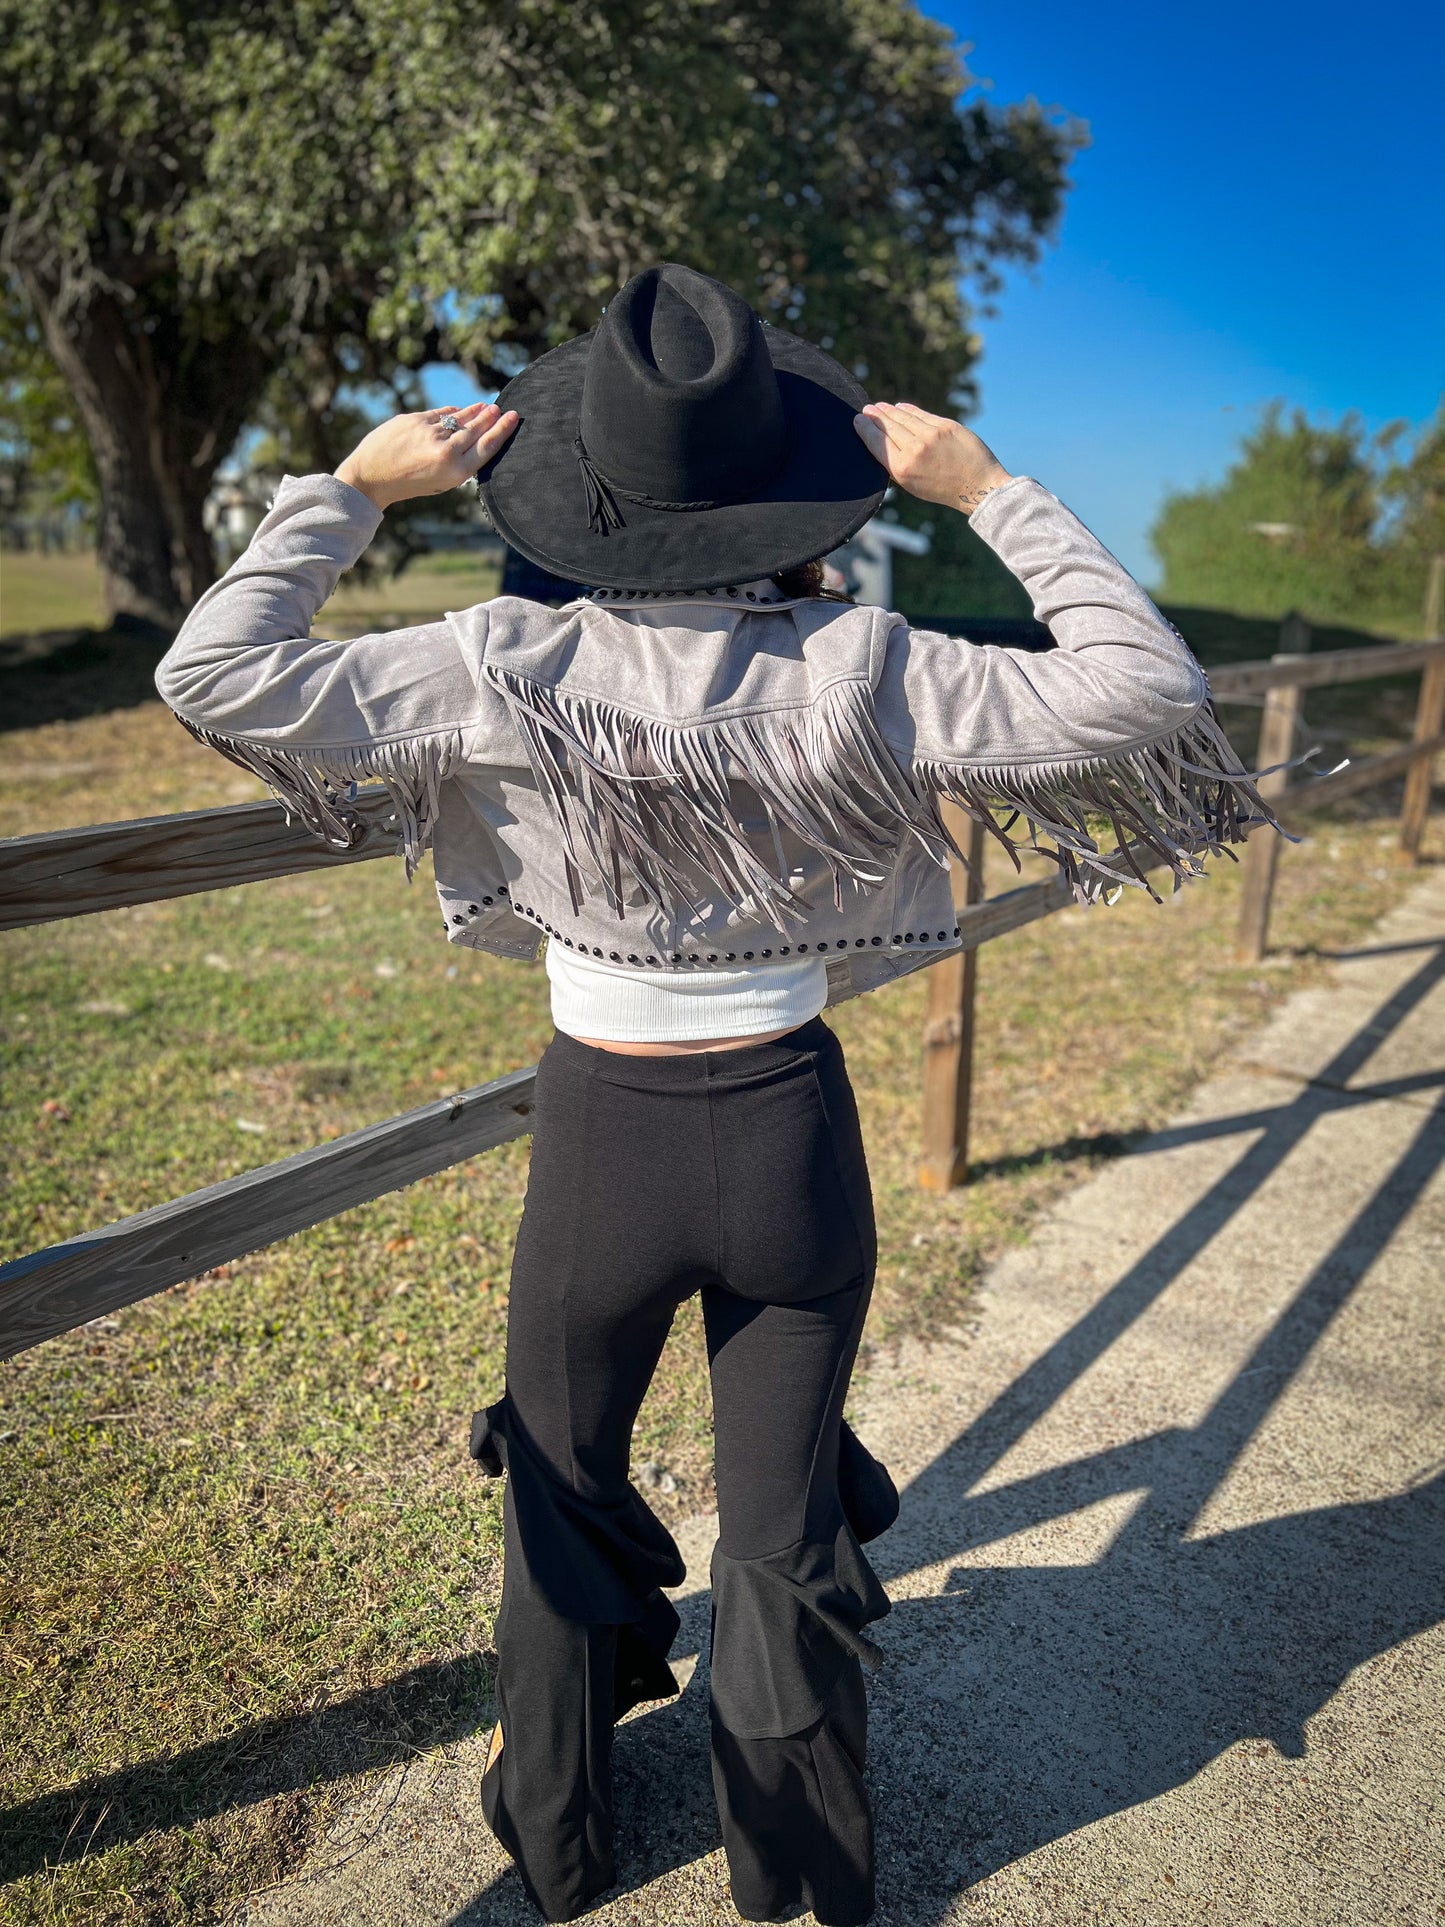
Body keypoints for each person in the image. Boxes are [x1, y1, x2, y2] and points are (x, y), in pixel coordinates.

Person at [154, 263, 1275, 1926]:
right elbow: (1149, 690)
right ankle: (799, 1872)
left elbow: (212, 675)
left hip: (602, 1136)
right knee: (775, 1530)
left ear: (578, 502)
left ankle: (561, 1844)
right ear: (788, 494)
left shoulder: (493, 659)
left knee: (556, 1483)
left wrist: (350, 494)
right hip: (789, 1140)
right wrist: (993, 498)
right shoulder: (876, 661)